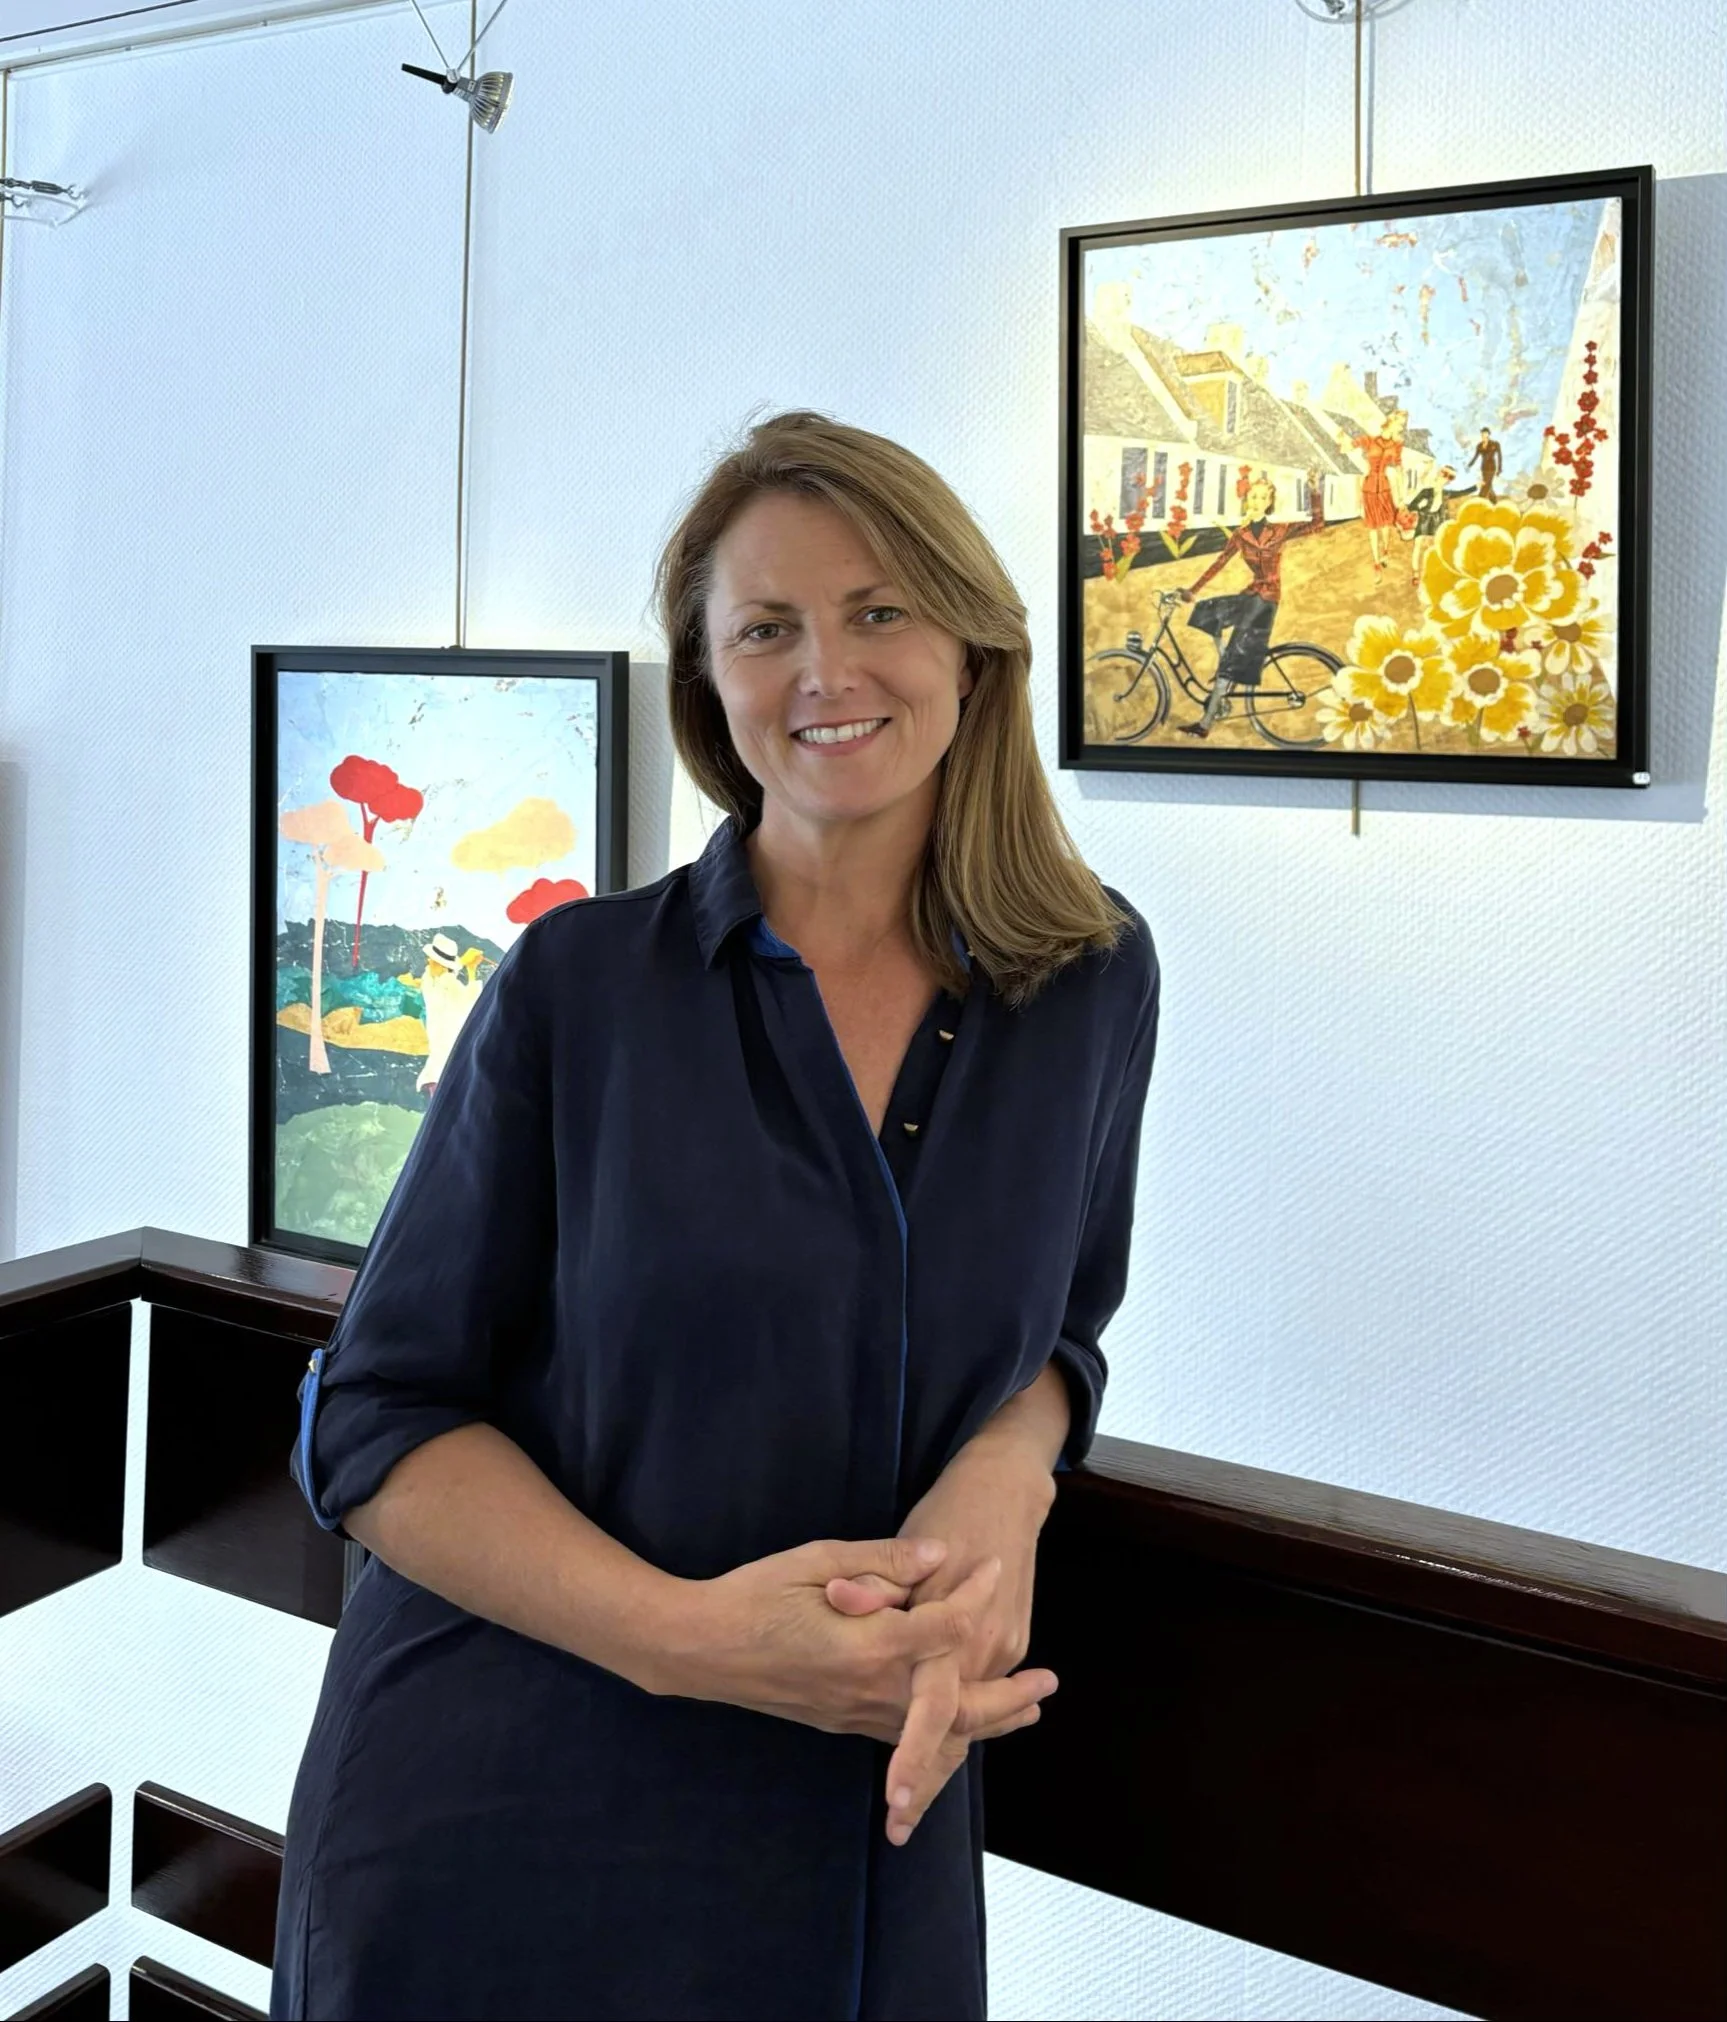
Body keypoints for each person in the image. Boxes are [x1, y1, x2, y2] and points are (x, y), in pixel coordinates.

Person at [271, 411, 1162, 2021]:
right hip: (502, 1822)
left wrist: (1004, 1473)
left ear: (971, 647)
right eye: (765, 628)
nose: (827, 669)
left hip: (864, 1827)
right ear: (709, 681)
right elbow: (374, 1419)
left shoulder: (1089, 978)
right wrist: (687, 1637)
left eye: (878, 609)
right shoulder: (579, 987)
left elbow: (1059, 1330)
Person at [1175, 471, 1325, 738]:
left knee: (1229, 661)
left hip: (1267, 599)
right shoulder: (1240, 534)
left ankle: (1205, 724)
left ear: (1269, 503)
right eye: (1252, 496)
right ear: (1247, 500)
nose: (1256, 501)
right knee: (1207, 611)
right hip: (1252, 592)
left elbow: (1317, 524)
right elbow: (1219, 563)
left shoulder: (1280, 530)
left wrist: (1315, 490)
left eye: (1262, 497)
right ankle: (1229, 662)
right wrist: (1192, 591)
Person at [1351, 407, 1408, 570]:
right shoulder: (1370, 440)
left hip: (1384, 487)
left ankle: (1385, 551)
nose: (1401, 428)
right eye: (1400, 424)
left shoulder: (1397, 445)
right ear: (1391, 421)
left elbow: (1399, 469)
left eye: (1403, 425)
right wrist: (1343, 441)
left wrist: (1402, 497)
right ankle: (1376, 562)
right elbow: (1349, 446)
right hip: (1369, 488)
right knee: (1372, 526)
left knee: (1386, 523)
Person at [1403, 463, 1463, 587]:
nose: (1446, 478)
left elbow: (1462, 492)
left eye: (1450, 477)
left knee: (1439, 545)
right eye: (1444, 473)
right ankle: (1415, 574)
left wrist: (1477, 486)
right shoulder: (1426, 492)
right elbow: (1412, 506)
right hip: (1425, 519)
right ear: (1439, 473)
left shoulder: (1446, 493)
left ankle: (1439, 572)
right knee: (1418, 544)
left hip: (1437, 520)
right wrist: (1421, 507)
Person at [1467, 425, 1502, 501]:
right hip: (1484, 468)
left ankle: (1480, 499)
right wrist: (1469, 465)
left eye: (1486, 434)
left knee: (1486, 484)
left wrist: (1499, 469)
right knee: (1489, 485)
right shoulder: (1479, 445)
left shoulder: (1495, 444)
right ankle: (1493, 501)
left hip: (1491, 468)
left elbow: (1500, 457)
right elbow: (1475, 456)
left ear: (1489, 434)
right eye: (1483, 434)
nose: (1484, 436)